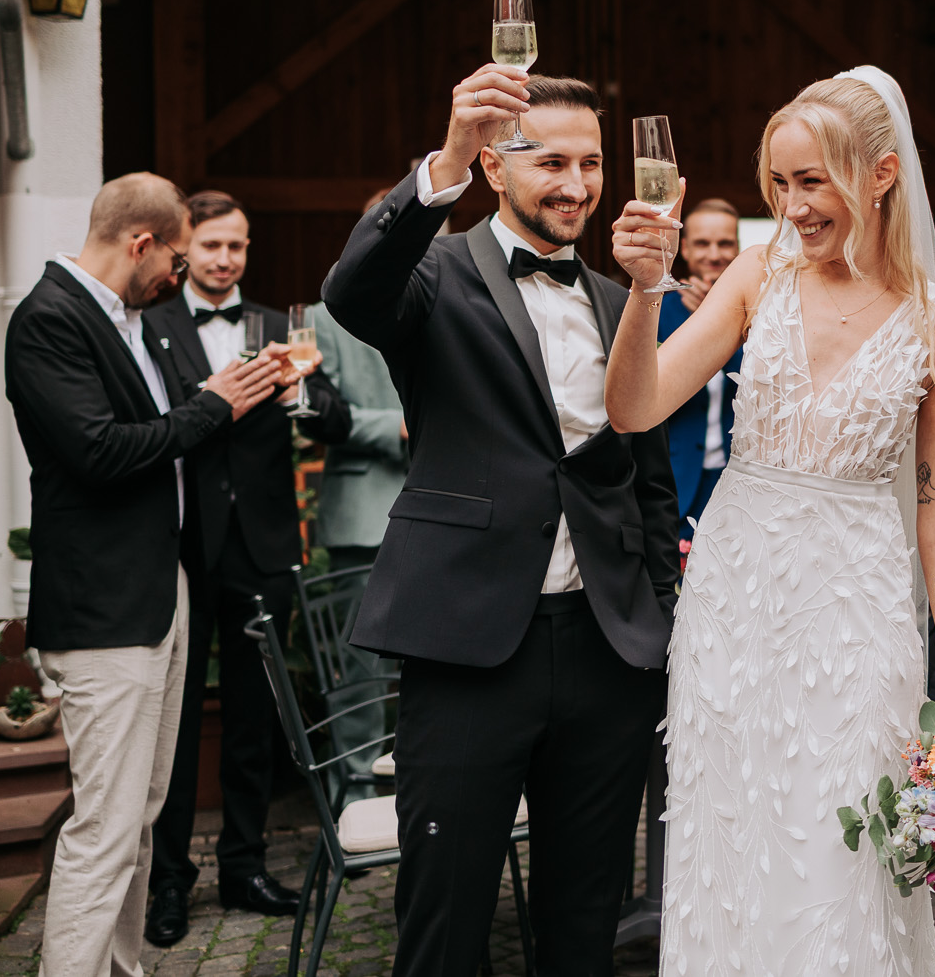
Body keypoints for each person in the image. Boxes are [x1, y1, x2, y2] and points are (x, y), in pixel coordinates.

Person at [605, 66, 935, 975]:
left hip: (857, 609)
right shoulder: (757, 274)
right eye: (780, 182)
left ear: (882, 173)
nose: (792, 205)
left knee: (840, 849)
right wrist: (646, 291)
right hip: (735, 600)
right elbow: (635, 407)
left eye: (812, 181)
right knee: (730, 840)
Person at [321, 70, 681, 976]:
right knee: (445, 916)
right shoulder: (430, 276)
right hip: (470, 645)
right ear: (493, 164)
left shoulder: (619, 296)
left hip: (606, 652)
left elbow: (649, 481)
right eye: (551, 160)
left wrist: (663, 628)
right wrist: (438, 161)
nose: (576, 183)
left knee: (585, 915)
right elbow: (351, 292)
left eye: (591, 163)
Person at [5, 173, 284, 977]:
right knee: (104, 824)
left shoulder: (125, 319)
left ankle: (121, 969)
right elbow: (98, 452)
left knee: (141, 814)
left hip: (161, 594)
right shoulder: (49, 319)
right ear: (141, 243)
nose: (177, 276)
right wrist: (214, 403)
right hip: (104, 609)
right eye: (173, 256)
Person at [143, 191, 349, 945]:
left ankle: (245, 863)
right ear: (184, 249)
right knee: (175, 719)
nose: (225, 259)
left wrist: (299, 391)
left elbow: (334, 413)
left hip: (264, 546)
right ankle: (169, 880)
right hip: (183, 544)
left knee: (256, 717)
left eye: (237, 246)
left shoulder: (274, 324)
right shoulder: (153, 325)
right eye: (211, 246)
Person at [306, 189, 411, 785]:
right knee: (361, 669)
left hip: (447, 508)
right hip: (363, 513)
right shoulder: (322, 316)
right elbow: (315, 413)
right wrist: (395, 426)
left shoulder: (456, 297)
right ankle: (353, 789)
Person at [658, 197, 744, 540]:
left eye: (725, 243)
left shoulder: (765, 312)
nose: (714, 253)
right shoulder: (657, 312)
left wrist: (729, 327)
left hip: (737, 481)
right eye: (702, 243)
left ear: (738, 247)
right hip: (676, 481)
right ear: (685, 251)